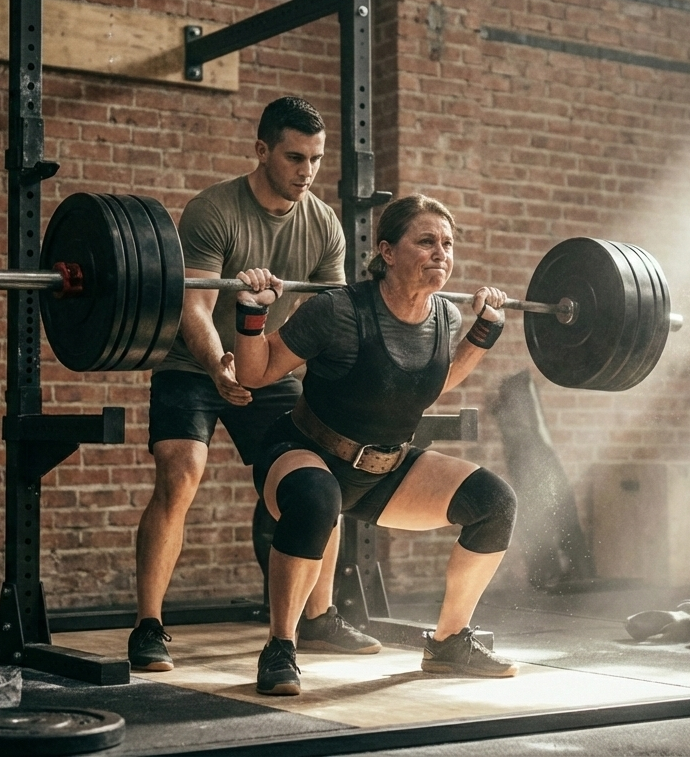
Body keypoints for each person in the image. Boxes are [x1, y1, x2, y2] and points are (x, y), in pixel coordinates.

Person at [129, 97, 381, 671]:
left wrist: (265, 365)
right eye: (294, 157)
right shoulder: (213, 210)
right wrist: (221, 361)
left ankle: (315, 619)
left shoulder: (325, 226)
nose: (306, 172)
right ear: (262, 150)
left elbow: (324, 322)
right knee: (180, 474)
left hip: (265, 366)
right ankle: (148, 625)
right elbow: (193, 304)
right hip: (193, 365)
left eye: (316, 159)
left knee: (322, 474)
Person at [232, 193, 520, 696]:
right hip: (303, 452)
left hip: (382, 470)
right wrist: (252, 314)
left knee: (494, 503)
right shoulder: (337, 310)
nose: (441, 254)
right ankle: (281, 645)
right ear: (386, 251)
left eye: (448, 244)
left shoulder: (446, 319)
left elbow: (434, 381)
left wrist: (485, 331)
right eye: (426, 241)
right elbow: (256, 373)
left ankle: (450, 643)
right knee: (319, 500)